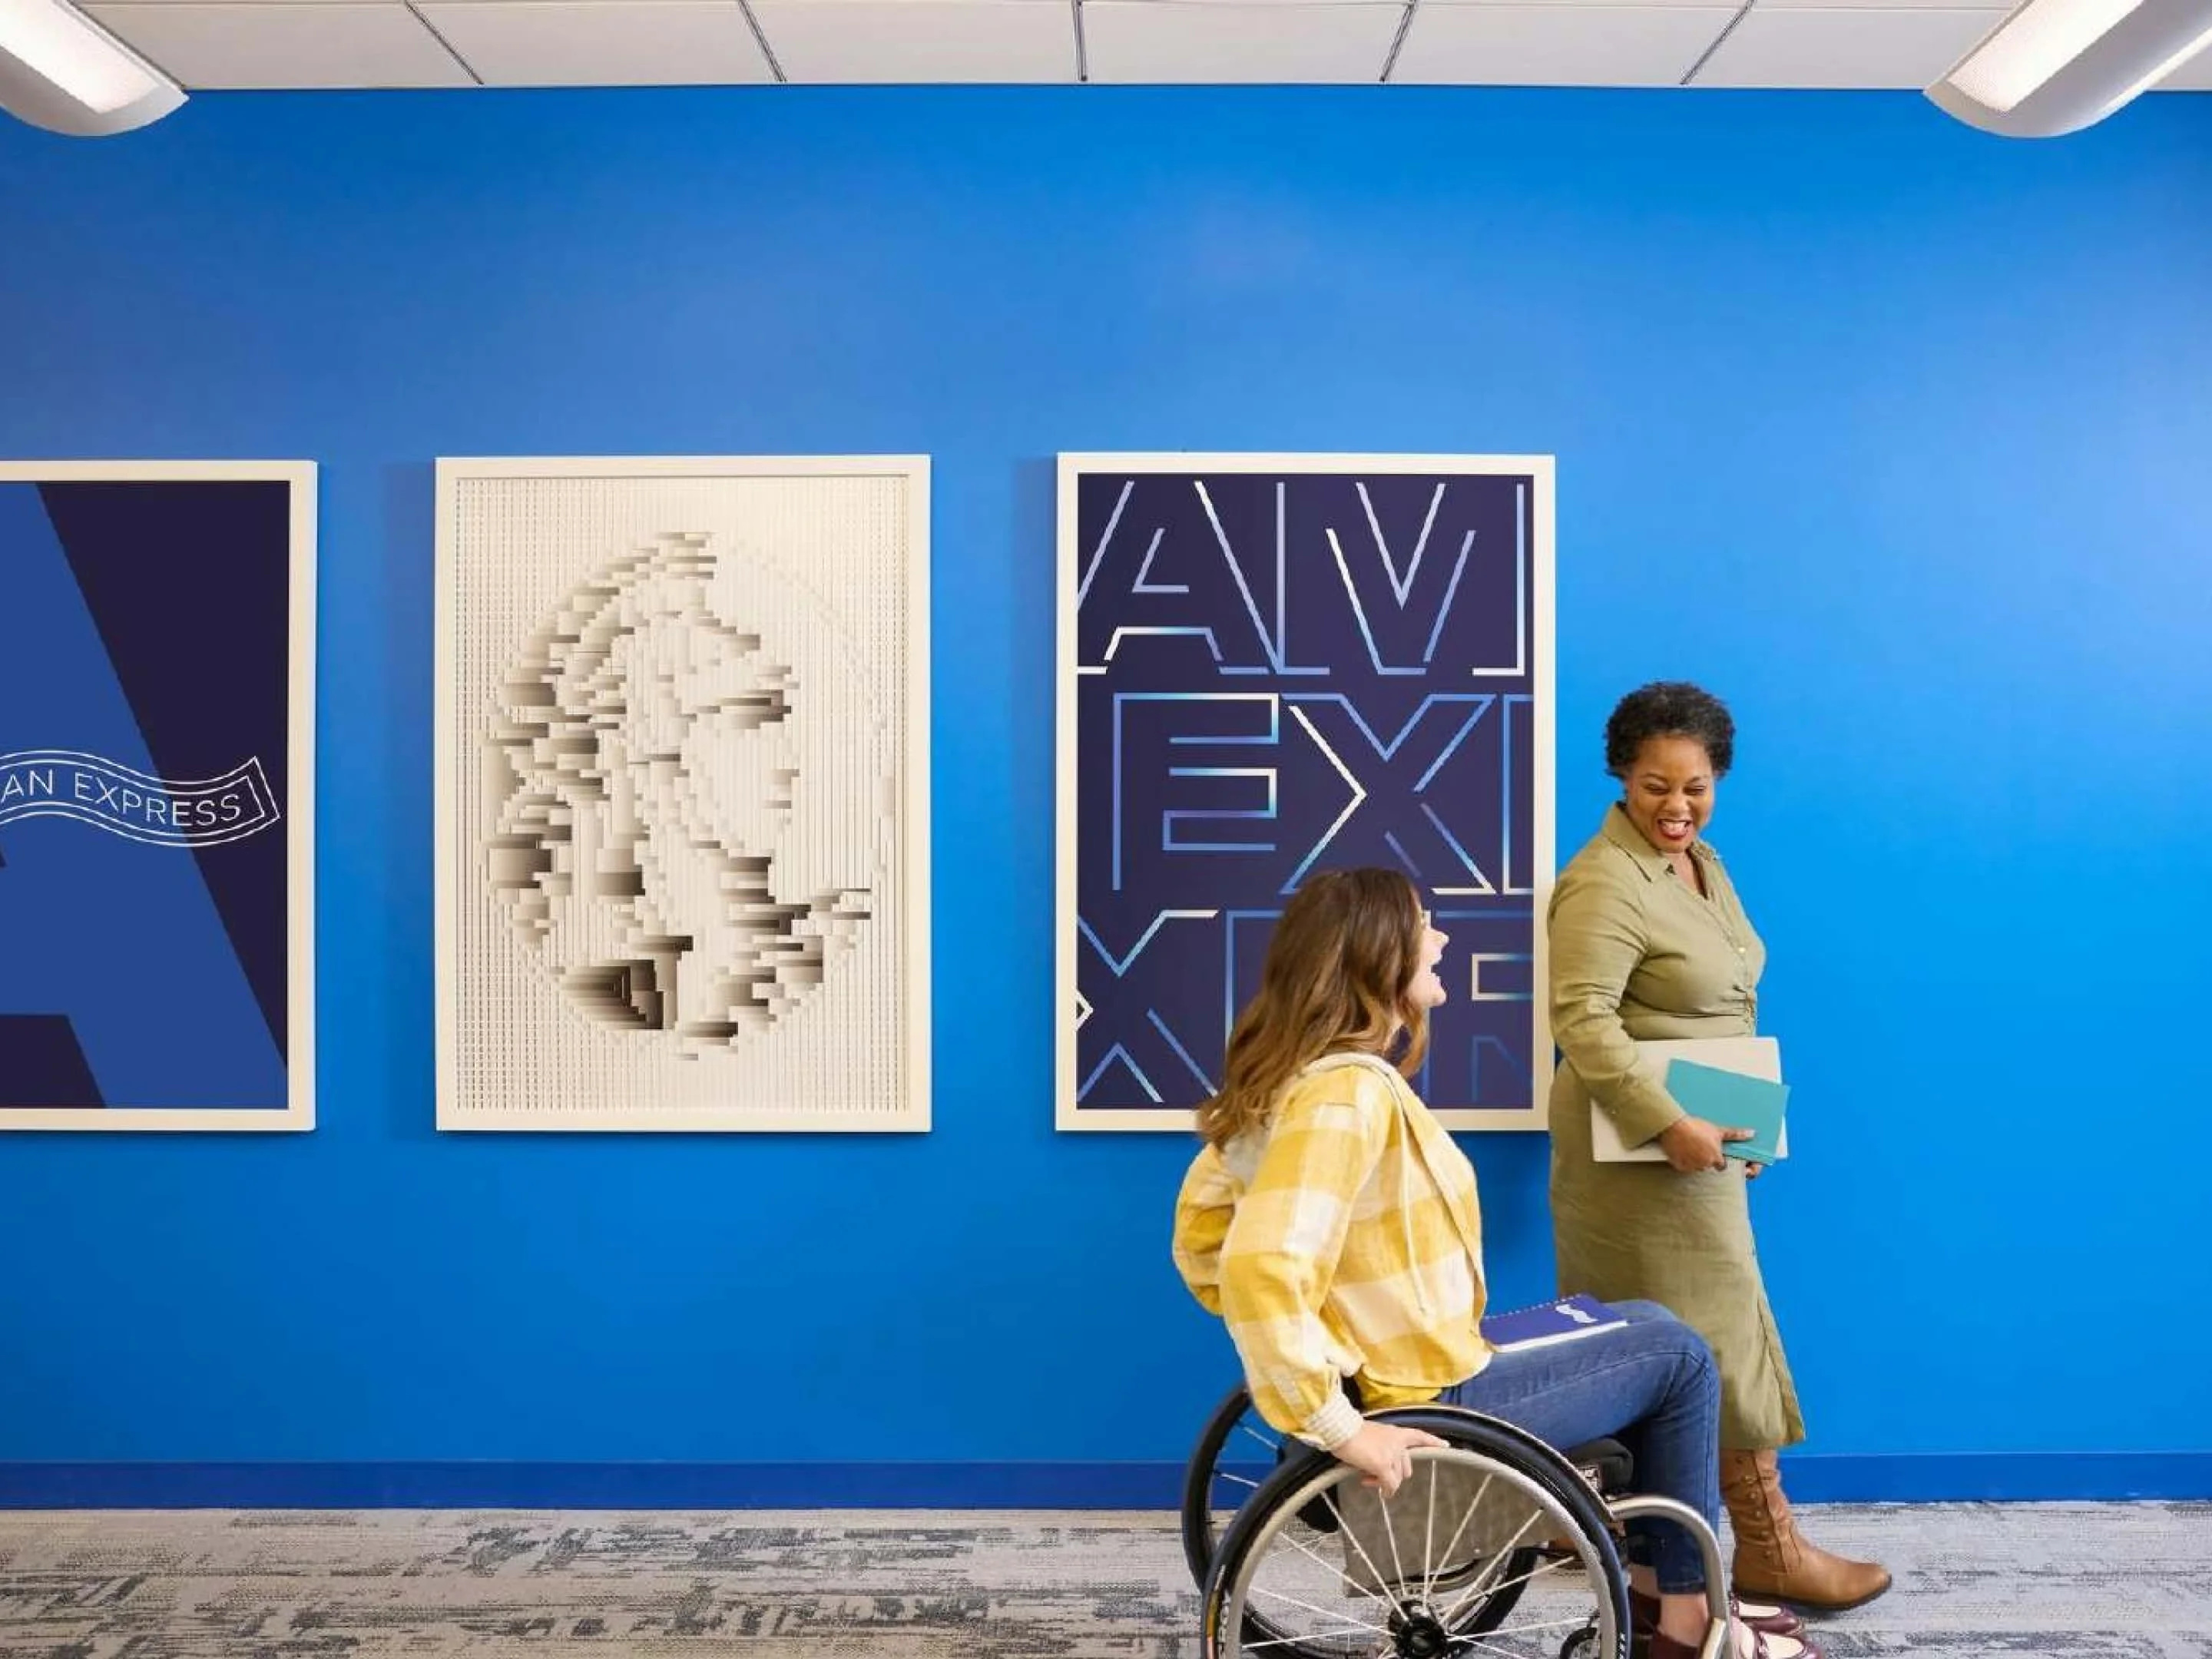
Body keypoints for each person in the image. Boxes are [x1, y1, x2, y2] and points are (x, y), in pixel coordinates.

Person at [1172, 867, 1821, 1659]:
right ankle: (1684, 1624)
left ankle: (1660, 1597)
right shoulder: (1347, 1096)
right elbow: (1259, 1267)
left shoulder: (1294, 1082)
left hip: (1411, 1370)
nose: (1441, 939)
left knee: (1647, 1323)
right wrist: (1340, 1422)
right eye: (1425, 924)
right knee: (1681, 1358)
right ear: (1380, 956)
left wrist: (1339, 1343)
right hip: (1431, 1394)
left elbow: (1202, 1239)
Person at [1546, 682, 1889, 1612]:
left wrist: (1745, 1119)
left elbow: (1718, 1003)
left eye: (1695, 787)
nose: (1677, 806)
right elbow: (1581, 1020)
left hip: (1698, 1141)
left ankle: (1649, 1536)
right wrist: (1670, 1121)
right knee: (1694, 1342)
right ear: (1621, 776)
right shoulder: (1604, 882)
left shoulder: (1700, 863)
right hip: (1635, 1156)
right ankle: (1754, 1547)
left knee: (1704, 1339)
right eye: (1656, 786)